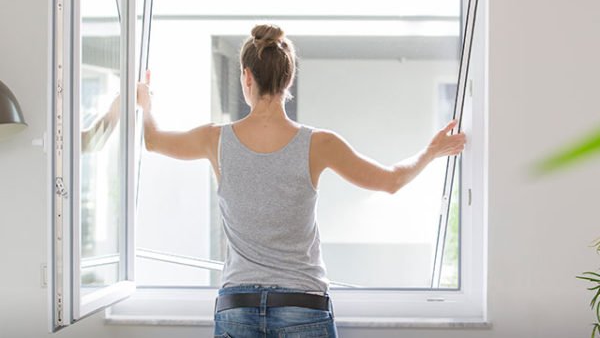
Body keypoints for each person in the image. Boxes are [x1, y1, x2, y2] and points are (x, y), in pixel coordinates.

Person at [136, 24, 466, 338]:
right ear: (289, 78)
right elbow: (391, 180)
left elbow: (153, 141)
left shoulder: (214, 140)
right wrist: (431, 151)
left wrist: (146, 104)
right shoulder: (319, 144)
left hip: (238, 307)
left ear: (246, 77)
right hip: (303, 306)